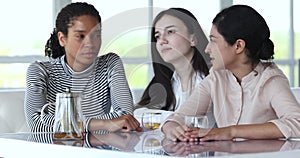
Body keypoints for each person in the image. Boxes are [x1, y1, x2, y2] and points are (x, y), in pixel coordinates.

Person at [162, 5, 300, 142]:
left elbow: (297, 123)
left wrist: (230, 131)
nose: (207, 49)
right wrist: (172, 127)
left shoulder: (270, 80)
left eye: (213, 41)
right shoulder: (216, 78)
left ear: (238, 46)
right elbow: (179, 117)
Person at [24, 2, 141, 133]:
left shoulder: (110, 64)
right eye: (80, 36)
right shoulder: (40, 71)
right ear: (62, 39)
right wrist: (104, 124)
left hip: (100, 151)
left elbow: (125, 117)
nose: (90, 43)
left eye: (96, 35)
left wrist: (66, 125)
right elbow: (38, 125)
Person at [134, 8, 210, 119]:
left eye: (170, 32)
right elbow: (137, 114)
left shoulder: (213, 78)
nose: (161, 41)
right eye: (157, 36)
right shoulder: (162, 82)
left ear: (193, 39)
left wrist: (161, 118)